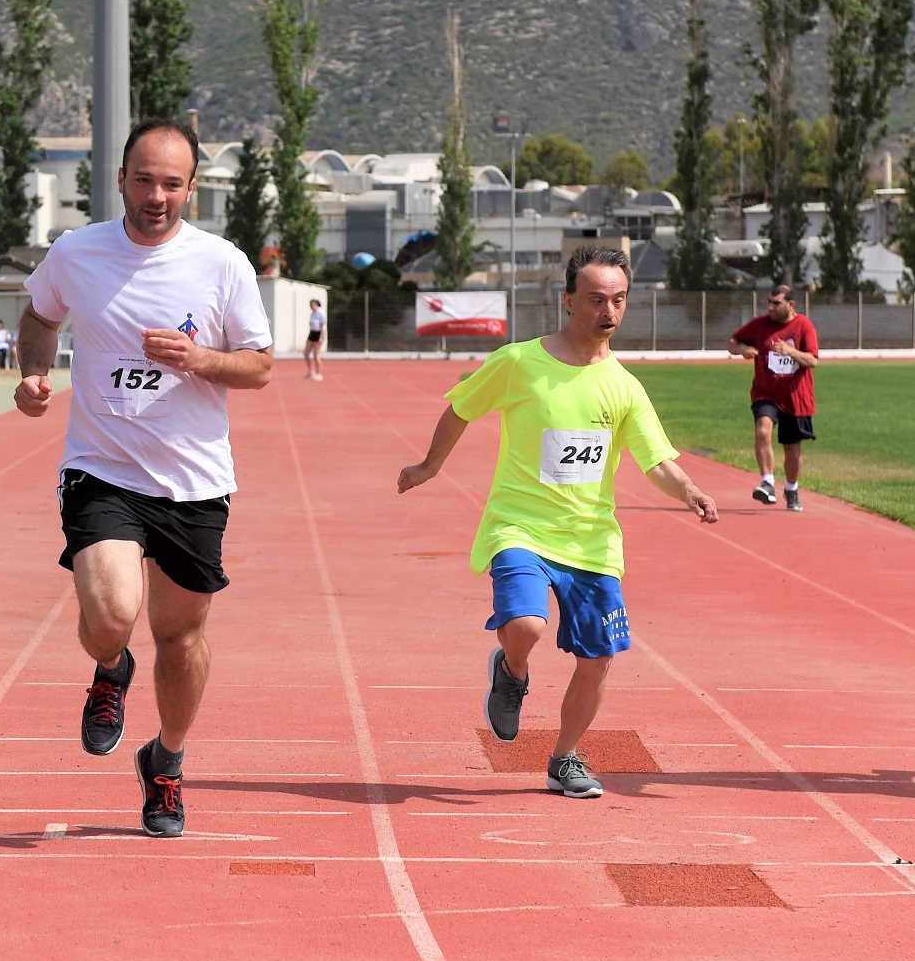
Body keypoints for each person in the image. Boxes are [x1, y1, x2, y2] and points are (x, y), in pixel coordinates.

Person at [13, 117, 273, 838]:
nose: (156, 196)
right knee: (110, 617)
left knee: (182, 636)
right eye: (144, 180)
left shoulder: (221, 263)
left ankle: (166, 764)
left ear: (192, 187)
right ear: (121, 180)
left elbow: (257, 364)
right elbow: (37, 316)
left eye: (172, 183)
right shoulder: (77, 251)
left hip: (193, 481)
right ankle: (110, 667)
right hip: (103, 470)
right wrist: (34, 373)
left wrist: (201, 361)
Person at [397, 247, 720, 799]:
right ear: (569, 300)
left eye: (618, 300)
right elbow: (461, 407)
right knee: (526, 626)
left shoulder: (623, 386)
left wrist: (687, 489)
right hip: (519, 526)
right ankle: (513, 671)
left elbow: (657, 461)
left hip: (592, 542)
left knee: (598, 660)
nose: (608, 311)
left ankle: (564, 759)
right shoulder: (519, 362)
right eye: (596, 299)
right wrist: (429, 466)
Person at [727, 284, 820, 511]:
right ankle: (767, 483)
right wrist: (743, 350)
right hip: (766, 393)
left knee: (792, 450)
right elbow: (731, 343)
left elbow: (813, 361)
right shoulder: (760, 325)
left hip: (795, 397)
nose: (770, 307)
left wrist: (791, 352)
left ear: (790, 305)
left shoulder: (803, 326)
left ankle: (791, 488)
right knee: (762, 430)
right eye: (769, 302)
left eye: (776, 303)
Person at [303, 298, 325, 381]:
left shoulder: (321, 313)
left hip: (318, 334)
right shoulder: (312, 314)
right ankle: (311, 371)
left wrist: (321, 337)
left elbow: (323, 326)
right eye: (310, 305)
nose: (311, 307)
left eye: (312, 305)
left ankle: (319, 373)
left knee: (316, 355)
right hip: (312, 333)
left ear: (316, 305)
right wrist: (308, 337)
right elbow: (311, 326)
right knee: (306, 353)